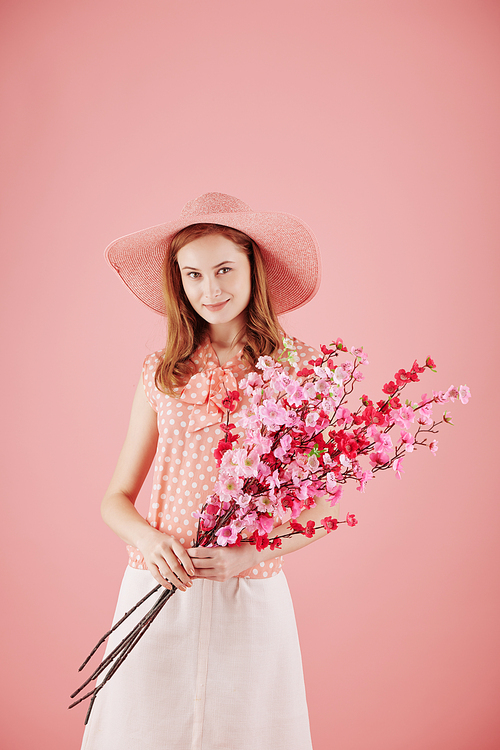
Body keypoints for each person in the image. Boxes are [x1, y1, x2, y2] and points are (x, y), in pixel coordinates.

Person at [81, 192, 334, 750]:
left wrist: (251, 554)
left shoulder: (296, 373)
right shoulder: (161, 372)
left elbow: (317, 511)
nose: (210, 289)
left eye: (224, 270)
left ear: (253, 270)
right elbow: (116, 497)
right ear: (178, 283)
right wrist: (149, 541)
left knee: (250, 730)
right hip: (158, 584)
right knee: (143, 731)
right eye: (193, 274)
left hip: (249, 591)